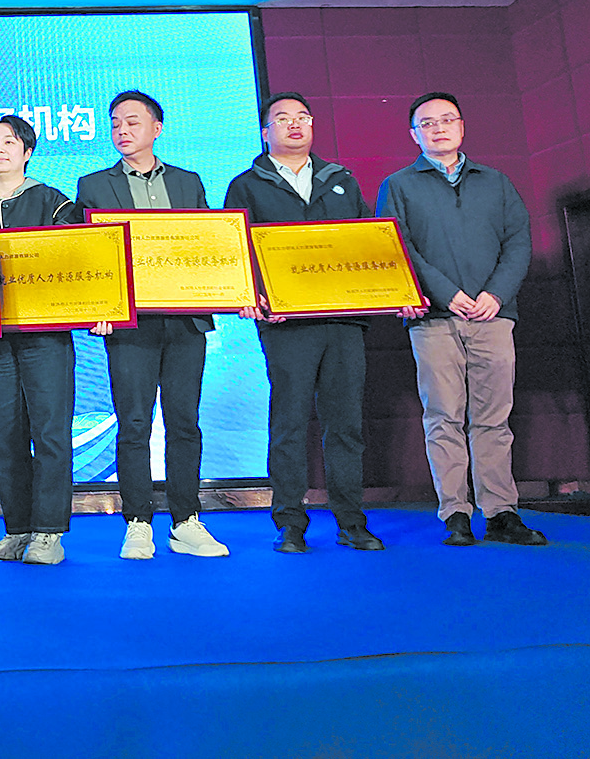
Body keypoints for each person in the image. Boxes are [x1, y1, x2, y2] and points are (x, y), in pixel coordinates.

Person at [376, 91, 546, 547]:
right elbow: (396, 246)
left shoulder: (496, 182)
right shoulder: (398, 185)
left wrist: (496, 294)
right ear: (414, 134)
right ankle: (455, 512)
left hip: (493, 315)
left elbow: (518, 242)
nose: (438, 128)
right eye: (427, 123)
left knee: (494, 419)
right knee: (443, 416)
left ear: (462, 126)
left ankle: (501, 511)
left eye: (447, 120)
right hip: (434, 318)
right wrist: (446, 294)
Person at [223, 93, 384, 553]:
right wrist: (252, 294)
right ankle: (290, 522)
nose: (294, 124)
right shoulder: (246, 185)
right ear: (265, 132)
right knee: (289, 423)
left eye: (303, 117)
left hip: (343, 320)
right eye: (282, 118)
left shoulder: (341, 180)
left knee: (345, 424)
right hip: (286, 323)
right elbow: (237, 249)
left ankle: (351, 521)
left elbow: (366, 242)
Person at [76, 90, 229, 561]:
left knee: (184, 421)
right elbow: (90, 253)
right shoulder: (94, 186)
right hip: (130, 324)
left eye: (132, 122)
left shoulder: (187, 182)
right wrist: (99, 306)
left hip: (185, 320)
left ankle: (186, 520)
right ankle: (138, 521)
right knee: (134, 423)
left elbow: (207, 245)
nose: (122, 130)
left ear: (156, 128)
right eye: (115, 123)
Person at [0, 114, 92, 566]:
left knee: (50, 432)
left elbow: (78, 260)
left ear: (28, 151)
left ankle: (49, 532)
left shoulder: (54, 202)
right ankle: (17, 529)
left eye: (9, 142)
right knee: (3, 435)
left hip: (46, 336)